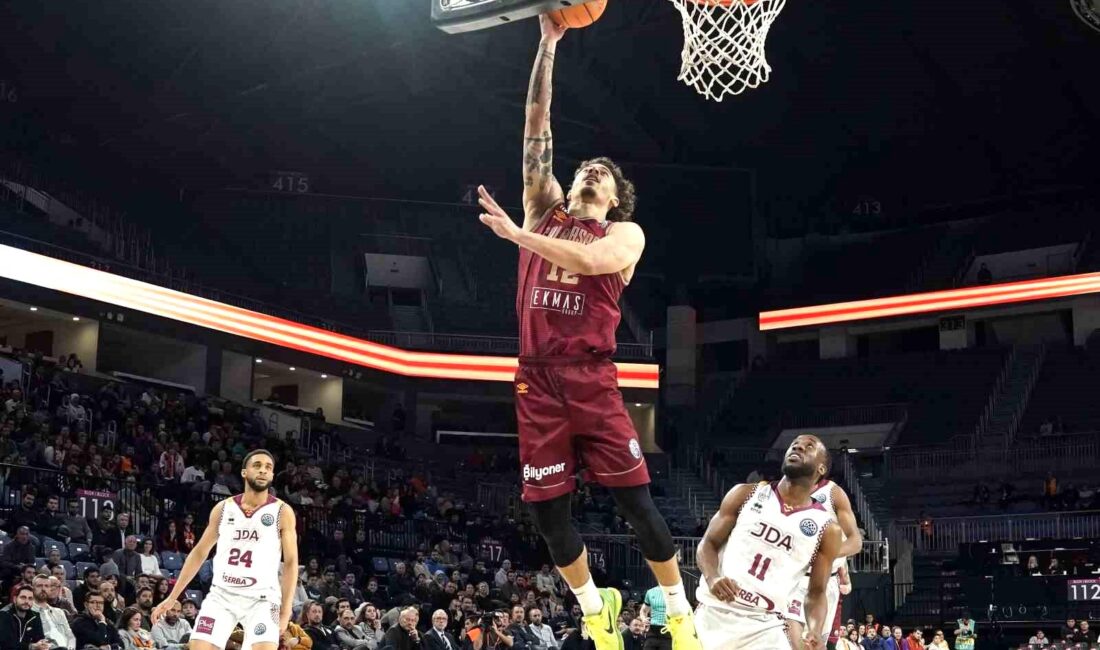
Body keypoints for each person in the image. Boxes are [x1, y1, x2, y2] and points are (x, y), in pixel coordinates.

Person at [474, 16, 697, 650]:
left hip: (594, 378)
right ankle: (594, 607)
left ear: (614, 194)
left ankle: (678, 613)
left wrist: (519, 239)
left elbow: (590, 264)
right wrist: (547, 44)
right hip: (537, 379)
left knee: (637, 507)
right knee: (547, 516)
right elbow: (535, 129)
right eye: (588, 166)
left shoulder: (624, 236)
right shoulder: (545, 206)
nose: (593, 170)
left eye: (604, 171)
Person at [695, 435, 843, 650]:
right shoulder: (745, 494)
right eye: (795, 444)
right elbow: (707, 544)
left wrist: (813, 628)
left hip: (765, 625)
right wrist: (713, 576)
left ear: (821, 469)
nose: (799, 446)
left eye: (809, 447)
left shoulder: (827, 528)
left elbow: (816, 592)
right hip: (714, 613)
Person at [151, 449, 299, 650]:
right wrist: (172, 596)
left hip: (262, 598)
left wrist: (285, 610)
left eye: (268, 467)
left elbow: (290, 563)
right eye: (257, 465)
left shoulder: (282, 512)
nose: (263, 470)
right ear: (244, 472)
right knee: (199, 646)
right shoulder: (223, 508)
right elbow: (199, 552)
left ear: (272, 475)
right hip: (222, 594)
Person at [784, 471, 863, 646]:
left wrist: (825, 554)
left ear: (821, 466)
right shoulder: (786, 491)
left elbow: (855, 542)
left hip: (826, 581)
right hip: (795, 578)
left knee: (816, 642)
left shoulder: (832, 492)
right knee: (791, 639)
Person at [32, 572, 76, 650]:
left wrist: (70, 648)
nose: (43, 589)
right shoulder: (29, 612)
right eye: (39, 586)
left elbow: (70, 636)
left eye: (46, 586)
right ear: (33, 588)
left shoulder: (59, 612)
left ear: (50, 589)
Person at [0, 585, 51, 650]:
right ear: (15, 599)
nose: (27, 601)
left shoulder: (35, 616)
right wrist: (31, 646)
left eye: (30, 598)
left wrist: (42, 644)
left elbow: (40, 639)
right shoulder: (4, 614)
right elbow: (7, 644)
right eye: (23, 597)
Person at [639, 584, 670, 650]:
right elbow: (643, 610)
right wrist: (643, 619)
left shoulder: (676, 592)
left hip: (668, 631)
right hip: (653, 631)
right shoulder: (650, 592)